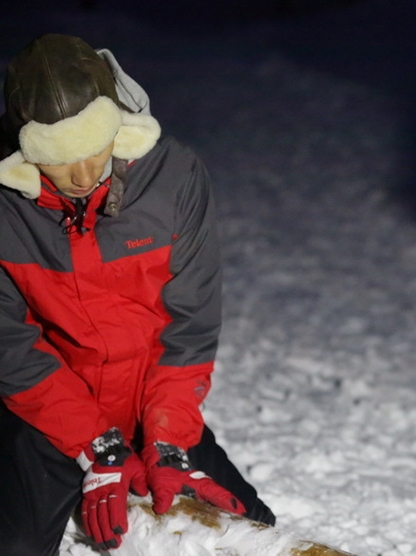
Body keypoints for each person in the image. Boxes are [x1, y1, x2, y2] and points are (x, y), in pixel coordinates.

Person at [0, 34, 275, 555]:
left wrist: (168, 442)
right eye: (55, 157)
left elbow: (189, 329)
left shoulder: (173, 177)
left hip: (147, 407)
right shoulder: (5, 206)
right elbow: (9, 348)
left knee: (250, 528)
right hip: (45, 410)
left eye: (93, 146)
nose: (82, 175)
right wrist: (95, 448)